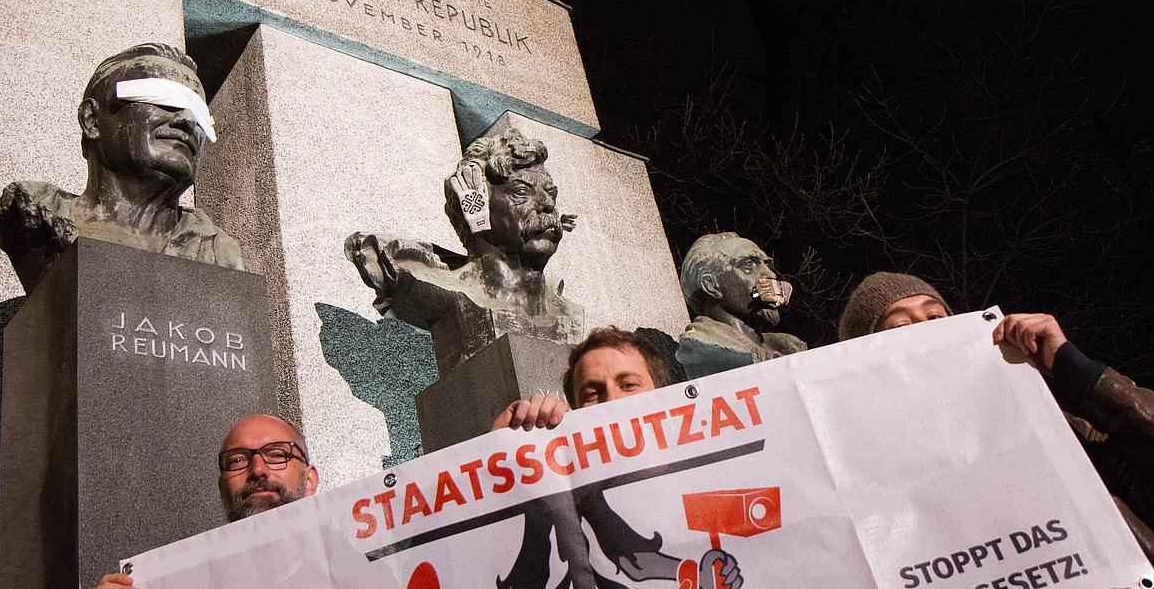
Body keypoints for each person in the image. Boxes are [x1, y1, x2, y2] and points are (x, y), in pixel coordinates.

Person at [839, 271, 1154, 589]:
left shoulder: (1060, 432)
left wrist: (1079, 373)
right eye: (901, 327)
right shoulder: (860, 479)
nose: (927, 328)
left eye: (935, 315)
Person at [491, 327, 742, 589]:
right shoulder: (580, 494)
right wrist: (501, 456)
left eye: (629, 385)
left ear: (662, 395)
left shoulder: (712, 473)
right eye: (592, 393)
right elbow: (634, 559)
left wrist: (699, 574)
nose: (611, 400)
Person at [0, 43, 244, 293]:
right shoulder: (36, 218)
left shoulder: (219, 252)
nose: (188, 120)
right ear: (92, 121)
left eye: (200, 114)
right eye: (164, 98)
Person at [345, 127, 585, 370]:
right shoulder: (434, 288)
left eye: (551, 194)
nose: (547, 205)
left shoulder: (566, 311)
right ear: (474, 204)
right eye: (521, 192)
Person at [94, 414, 319, 589]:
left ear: (309, 480)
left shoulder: (351, 561)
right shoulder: (170, 578)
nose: (258, 469)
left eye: (278, 455)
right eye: (237, 460)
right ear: (222, 489)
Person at [676, 232, 806, 379]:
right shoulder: (703, 349)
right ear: (711, 286)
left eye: (767, 265)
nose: (771, 275)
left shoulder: (791, 347)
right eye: (748, 265)